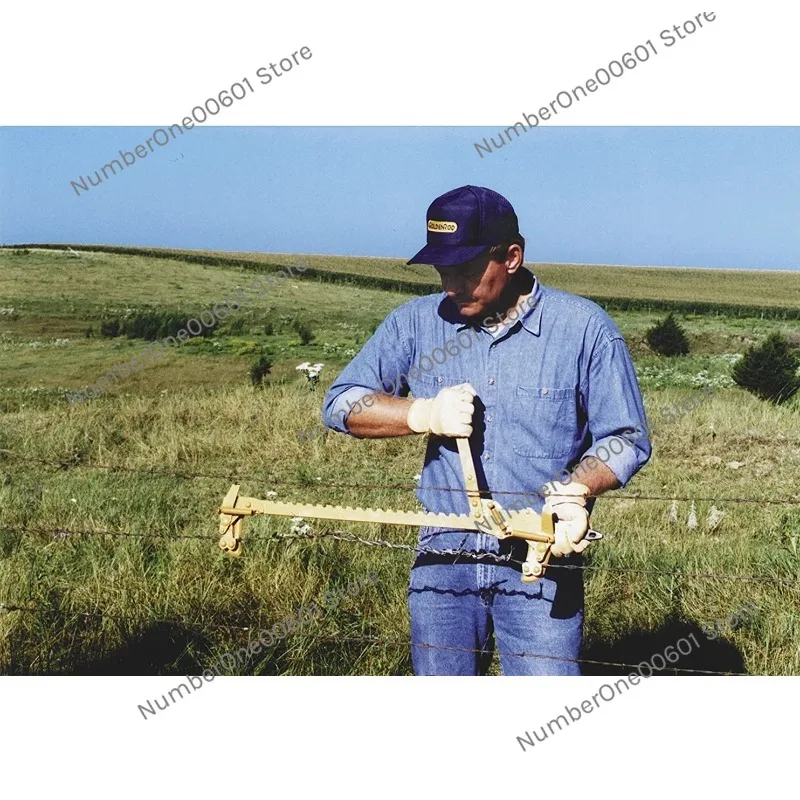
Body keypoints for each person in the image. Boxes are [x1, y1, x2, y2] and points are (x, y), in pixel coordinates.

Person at [322, 185, 651, 675]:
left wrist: (576, 491)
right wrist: (421, 414)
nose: (451, 284)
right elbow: (341, 402)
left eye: (467, 270)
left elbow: (626, 437)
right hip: (443, 553)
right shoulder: (415, 324)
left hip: (540, 556)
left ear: (512, 257)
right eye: (442, 269)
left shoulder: (584, 330)